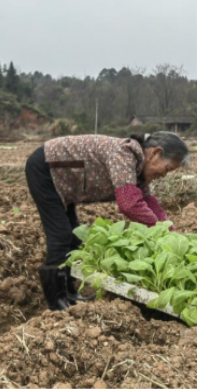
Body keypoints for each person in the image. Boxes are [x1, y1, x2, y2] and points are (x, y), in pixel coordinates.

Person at [25, 132, 189, 311]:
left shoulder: (138, 168)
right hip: (45, 170)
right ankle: (57, 302)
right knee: (60, 235)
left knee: (73, 236)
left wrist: (171, 233)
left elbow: (149, 201)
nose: (164, 176)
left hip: (65, 180)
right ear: (155, 153)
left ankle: (70, 294)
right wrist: (160, 232)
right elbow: (129, 204)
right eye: (167, 169)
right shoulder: (124, 154)